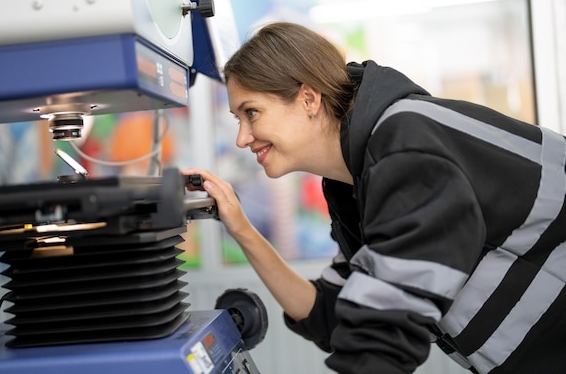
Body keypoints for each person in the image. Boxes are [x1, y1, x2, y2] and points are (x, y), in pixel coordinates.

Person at [181, 22, 566, 374]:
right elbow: (330, 313)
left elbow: (384, 333)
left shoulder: (405, 144)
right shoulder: (355, 185)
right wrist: (241, 227)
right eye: (238, 119)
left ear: (308, 99)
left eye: (252, 112)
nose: (242, 138)